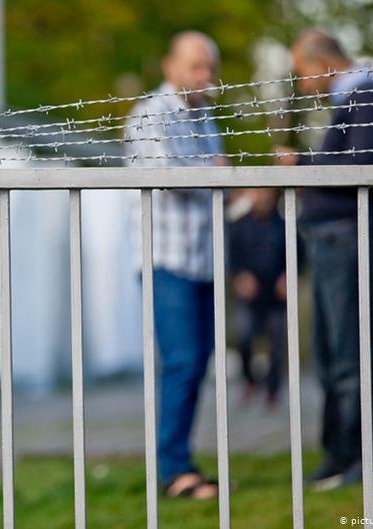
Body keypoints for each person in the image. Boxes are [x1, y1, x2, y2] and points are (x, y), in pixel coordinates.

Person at [276, 29, 373, 490]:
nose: (303, 83)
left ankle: (367, 457)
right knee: (334, 355)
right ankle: (343, 454)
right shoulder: (355, 99)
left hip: (352, 240)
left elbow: (361, 165)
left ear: (323, 63)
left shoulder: (366, 96)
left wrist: (302, 166)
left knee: (354, 353)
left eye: (303, 72)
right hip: (337, 242)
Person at [125, 30, 225, 500]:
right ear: (170, 66)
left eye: (208, 67)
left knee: (197, 362)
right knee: (182, 361)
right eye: (195, 66)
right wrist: (215, 171)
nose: (203, 76)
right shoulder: (151, 114)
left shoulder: (205, 117)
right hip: (166, 258)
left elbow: (211, 177)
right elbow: (169, 178)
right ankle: (173, 470)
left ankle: (180, 459)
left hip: (204, 259)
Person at [229, 189, 288, 409]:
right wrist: (240, 275)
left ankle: (272, 390)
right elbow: (231, 255)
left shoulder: (283, 225)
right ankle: (250, 381)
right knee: (244, 337)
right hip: (249, 294)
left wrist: (287, 276)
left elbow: (298, 255)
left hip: (275, 294)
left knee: (277, 343)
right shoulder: (240, 225)